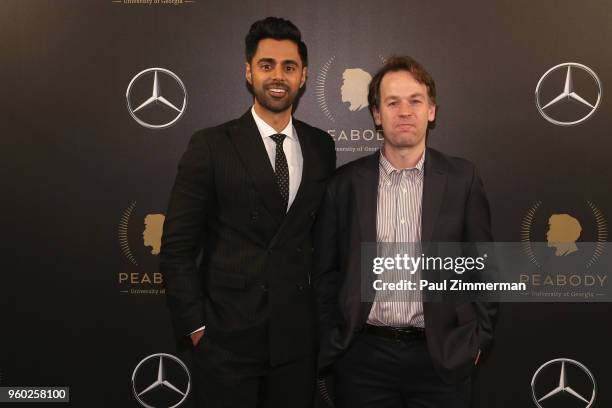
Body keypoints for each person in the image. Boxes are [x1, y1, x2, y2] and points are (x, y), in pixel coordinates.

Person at [160, 17, 336, 408]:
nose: (278, 76)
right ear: (248, 71)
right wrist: (196, 327)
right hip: (226, 343)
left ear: (304, 76)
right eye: (267, 64)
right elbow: (176, 247)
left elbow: (322, 243)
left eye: (289, 67)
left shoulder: (321, 146)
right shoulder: (211, 145)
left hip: (296, 346)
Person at [313, 56, 497, 408]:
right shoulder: (345, 184)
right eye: (392, 102)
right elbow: (325, 272)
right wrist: (334, 338)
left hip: (441, 358)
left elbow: (484, 267)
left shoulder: (463, 179)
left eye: (415, 100)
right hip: (363, 358)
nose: (405, 111)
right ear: (376, 115)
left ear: (431, 110)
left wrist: (476, 341)